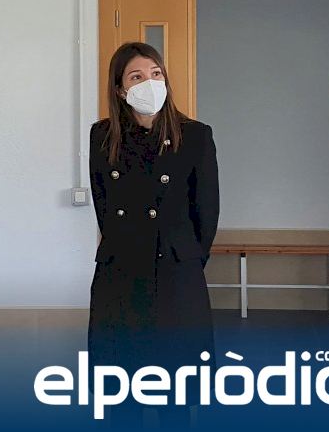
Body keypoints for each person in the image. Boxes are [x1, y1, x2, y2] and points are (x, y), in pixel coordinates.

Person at [88, 42, 220, 429]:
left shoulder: (195, 136)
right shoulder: (102, 136)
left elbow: (206, 213)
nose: (149, 82)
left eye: (156, 73)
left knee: (173, 398)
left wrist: (184, 258)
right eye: (137, 76)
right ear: (120, 89)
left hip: (175, 278)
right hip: (119, 275)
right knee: (119, 398)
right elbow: (103, 204)